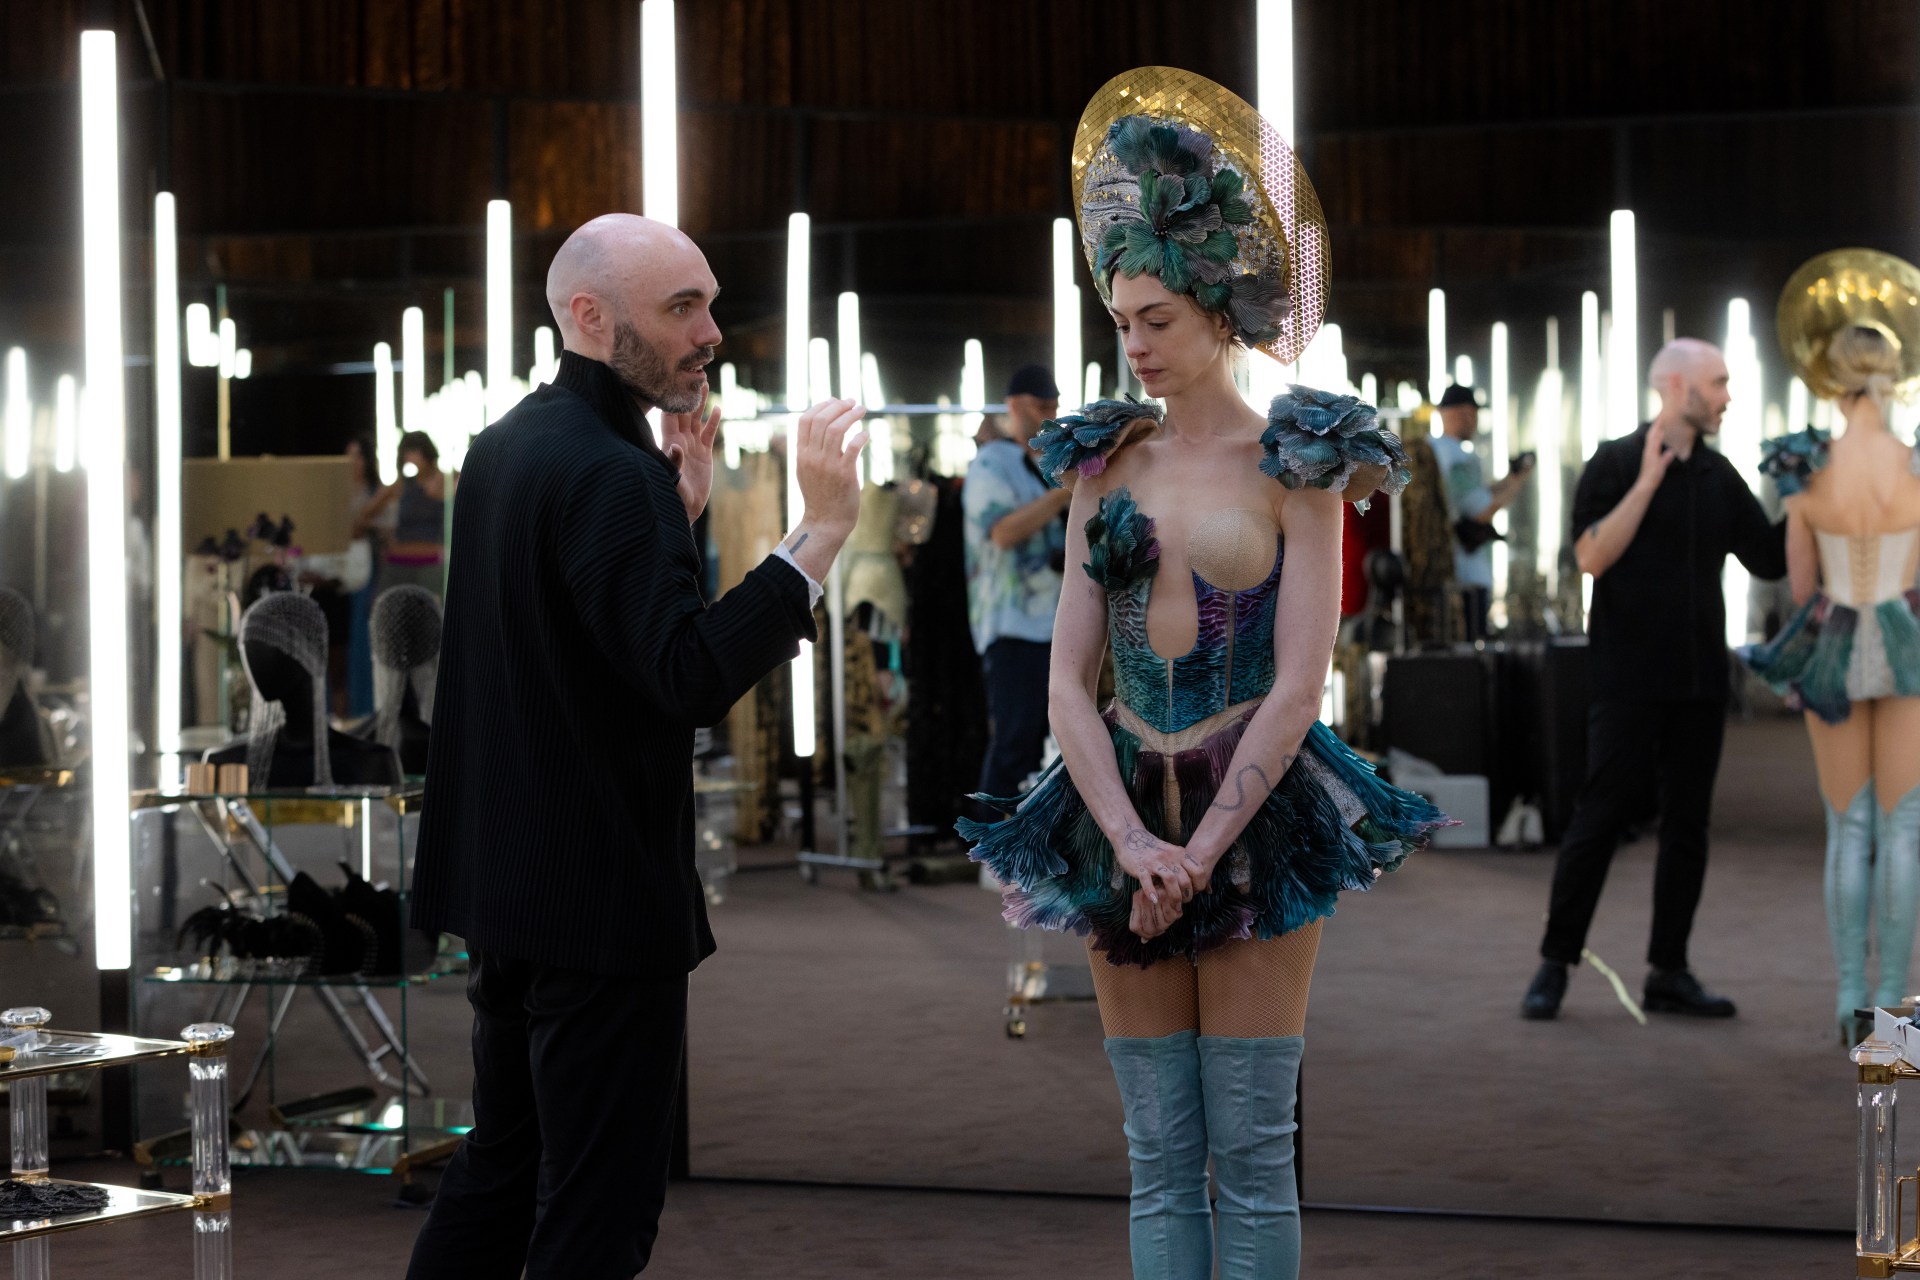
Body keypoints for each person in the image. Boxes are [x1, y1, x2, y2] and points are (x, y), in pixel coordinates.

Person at [962, 70, 1447, 1280]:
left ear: (1218, 310)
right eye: (1121, 319)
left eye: (1157, 319)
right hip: (1116, 803)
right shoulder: (1102, 462)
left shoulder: (1303, 461)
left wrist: (1205, 843)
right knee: (1160, 1154)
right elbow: (1068, 681)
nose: (1134, 343)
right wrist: (1134, 842)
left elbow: (1300, 682)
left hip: (1257, 805)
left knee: (1255, 1147)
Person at [404, 213, 867, 1279]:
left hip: (511, 881)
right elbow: (685, 676)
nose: (710, 333)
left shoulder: (509, 445)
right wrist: (819, 533)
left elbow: (579, 642)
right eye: (680, 309)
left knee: (503, 1170)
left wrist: (678, 513)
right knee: (598, 1211)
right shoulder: (611, 470)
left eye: (708, 304)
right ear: (588, 315)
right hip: (598, 895)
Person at [1522, 338, 1788, 1021]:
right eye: (1717, 382)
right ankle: (1555, 962)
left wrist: (1810, 495)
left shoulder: (1720, 477)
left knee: (1688, 827)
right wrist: (1646, 483)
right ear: (1675, 385)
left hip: (1700, 682)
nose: (1728, 396)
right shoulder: (1614, 462)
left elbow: (1768, 559)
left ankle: (1669, 971)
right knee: (1600, 815)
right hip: (1628, 677)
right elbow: (1591, 557)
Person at [1740, 257, 1920, 1045]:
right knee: (1905, 829)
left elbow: (1803, 584)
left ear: (1831, 379)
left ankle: (1850, 1002)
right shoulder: (1916, 466)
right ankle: (1895, 1021)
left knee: (1848, 826)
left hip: (1836, 644)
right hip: (1907, 645)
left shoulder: (1804, 469)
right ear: (1893, 376)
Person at [963, 364, 1070, 804]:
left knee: (1053, 745)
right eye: (1041, 406)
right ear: (1014, 406)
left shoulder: (1046, 463)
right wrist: (1065, 492)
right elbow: (1004, 532)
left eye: (1054, 407)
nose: (1050, 416)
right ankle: (988, 837)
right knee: (1015, 743)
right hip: (1012, 626)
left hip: (1057, 623)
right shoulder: (992, 463)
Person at [1428, 383, 1533, 639]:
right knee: (1469, 649)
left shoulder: (1436, 450)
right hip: (1465, 574)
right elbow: (1479, 509)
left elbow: (1475, 494)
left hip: (1450, 572)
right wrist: (1518, 481)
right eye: (1472, 413)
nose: (1474, 421)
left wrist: (1510, 478)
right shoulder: (1455, 456)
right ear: (1462, 413)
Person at [355, 430, 447, 597]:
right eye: (407, 453)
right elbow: (365, 515)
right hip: (399, 560)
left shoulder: (444, 481)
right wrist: (385, 532)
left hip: (430, 562)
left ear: (426, 453)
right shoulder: (401, 485)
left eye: (415, 452)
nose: (410, 458)